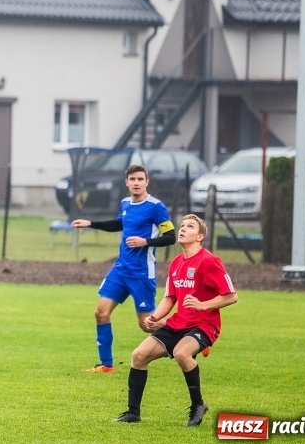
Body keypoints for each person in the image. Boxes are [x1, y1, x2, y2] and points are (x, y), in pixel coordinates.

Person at [113, 214, 237, 426]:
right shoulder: (176, 263)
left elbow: (231, 296)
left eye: (190, 227)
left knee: (182, 352)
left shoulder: (210, 261)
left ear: (199, 237)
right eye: (182, 226)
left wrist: (202, 305)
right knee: (139, 355)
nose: (182, 229)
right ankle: (133, 412)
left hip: (204, 325)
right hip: (179, 323)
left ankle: (198, 404)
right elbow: (170, 297)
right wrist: (155, 317)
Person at [72, 164, 176, 373]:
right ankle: (106, 365)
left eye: (140, 179)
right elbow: (120, 224)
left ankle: (190, 333)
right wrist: (91, 223)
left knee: (146, 325)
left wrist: (145, 242)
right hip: (120, 270)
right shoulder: (125, 203)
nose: (136, 183)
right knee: (101, 313)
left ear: (146, 182)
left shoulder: (156, 207)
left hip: (141, 274)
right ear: (126, 182)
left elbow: (171, 237)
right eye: (132, 179)